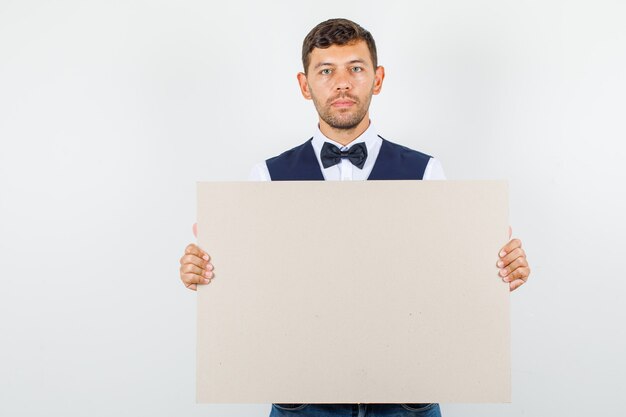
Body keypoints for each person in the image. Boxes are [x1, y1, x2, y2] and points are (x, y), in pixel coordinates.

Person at [179, 18, 530, 417]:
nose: (342, 83)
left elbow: (448, 276)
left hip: (407, 398)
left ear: (377, 79)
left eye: (356, 69)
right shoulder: (267, 176)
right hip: (301, 400)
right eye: (326, 71)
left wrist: (498, 269)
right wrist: (205, 272)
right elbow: (250, 285)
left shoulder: (427, 170)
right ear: (304, 84)